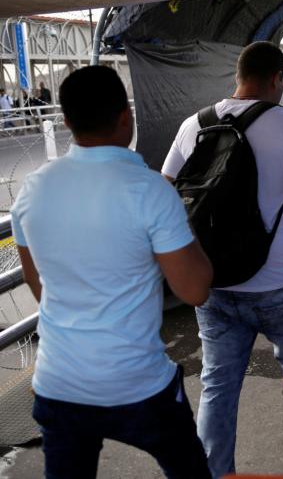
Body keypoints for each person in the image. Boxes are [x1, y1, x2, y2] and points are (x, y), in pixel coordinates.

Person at [10, 66, 213, 479]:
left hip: (59, 382)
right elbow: (195, 290)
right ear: (127, 116)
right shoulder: (150, 190)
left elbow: (37, 283)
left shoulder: (33, 187)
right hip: (138, 385)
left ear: (65, 121)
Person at [162, 42, 283, 477]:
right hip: (278, 279)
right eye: (282, 82)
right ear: (271, 80)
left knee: (218, 383)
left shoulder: (195, 124)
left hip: (215, 282)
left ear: (237, 75)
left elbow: (164, 190)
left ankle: (214, 468)